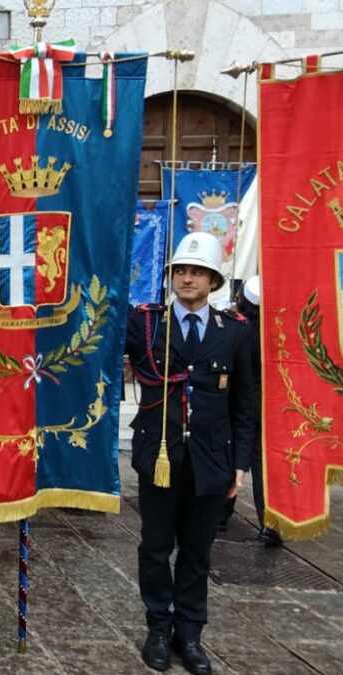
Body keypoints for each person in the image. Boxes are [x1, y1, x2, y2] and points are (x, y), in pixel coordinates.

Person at [126, 231, 255, 675]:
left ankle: (191, 634)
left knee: (198, 552)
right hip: (159, 458)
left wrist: (241, 463)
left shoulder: (235, 332)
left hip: (212, 463)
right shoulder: (145, 324)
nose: (187, 278)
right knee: (157, 548)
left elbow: (244, 402)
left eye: (197, 272)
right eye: (180, 270)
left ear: (214, 280)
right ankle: (158, 628)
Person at [216, 276, 281, 546]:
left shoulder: (238, 330)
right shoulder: (275, 331)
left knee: (232, 458)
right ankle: (270, 523)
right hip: (268, 405)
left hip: (239, 403)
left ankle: (221, 516)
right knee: (262, 465)